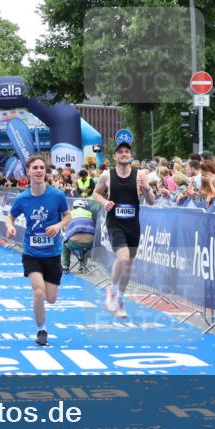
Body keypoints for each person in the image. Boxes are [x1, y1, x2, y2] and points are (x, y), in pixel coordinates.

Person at [6, 155, 71, 346]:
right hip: (31, 253)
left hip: (53, 253)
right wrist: (10, 226)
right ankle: (41, 329)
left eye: (42, 167)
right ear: (28, 171)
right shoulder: (22, 198)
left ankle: (42, 319)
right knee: (39, 292)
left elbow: (68, 216)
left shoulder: (57, 195)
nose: (39, 171)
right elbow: (10, 217)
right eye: (35, 167)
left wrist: (58, 226)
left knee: (51, 298)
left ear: (46, 172)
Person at [93, 132, 154, 318]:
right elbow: (96, 193)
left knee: (128, 266)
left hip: (133, 225)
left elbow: (151, 201)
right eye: (121, 152)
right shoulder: (107, 175)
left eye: (127, 151)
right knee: (123, 257)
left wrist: (146, 189)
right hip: (114, 223)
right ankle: (111, 291)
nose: (124, 154)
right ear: (115, 156)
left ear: (131, 155)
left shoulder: (140, 174)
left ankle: (119, 300)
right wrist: (105, 203)